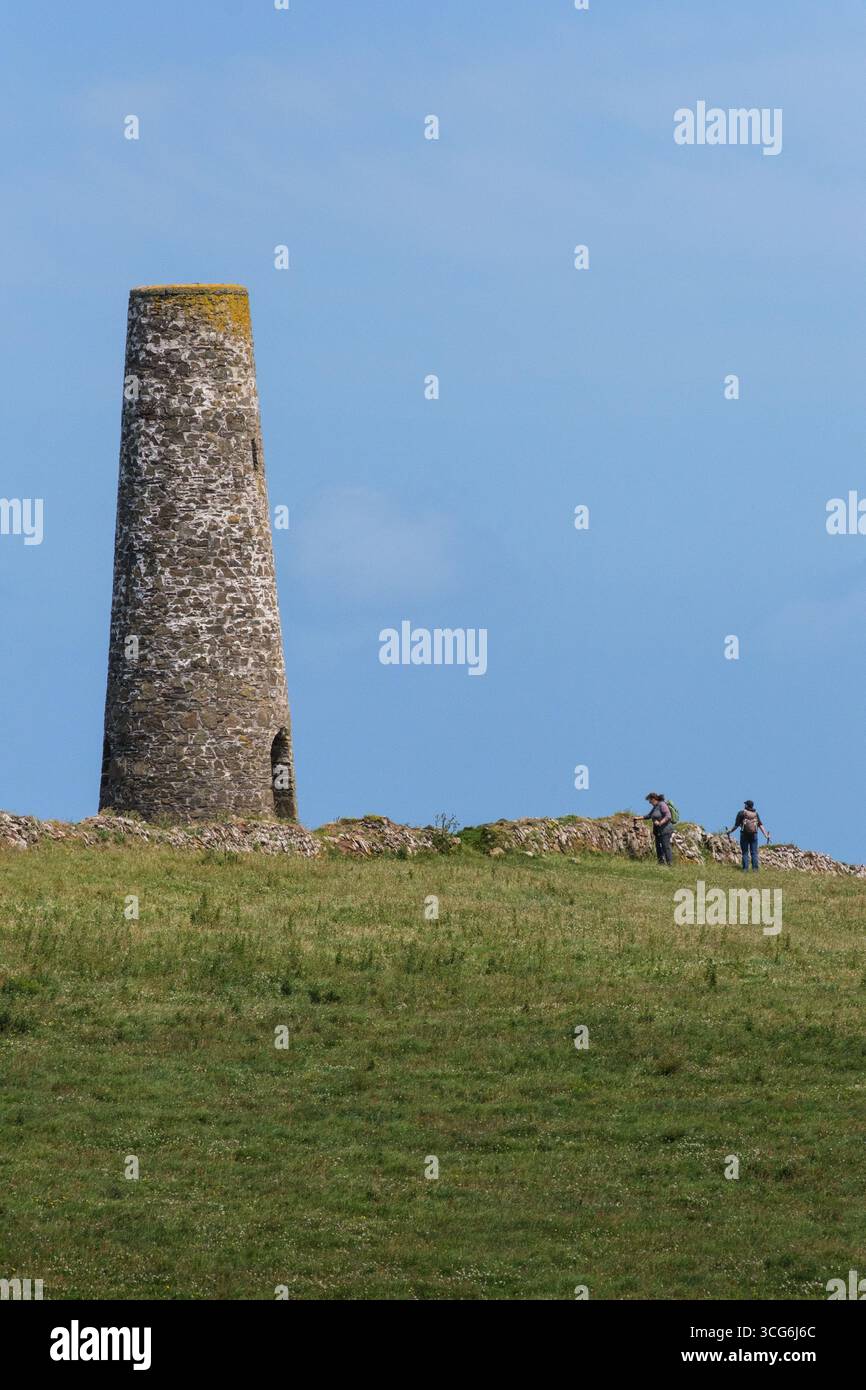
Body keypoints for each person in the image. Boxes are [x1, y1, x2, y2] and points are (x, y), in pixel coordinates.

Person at [727, 799, 770, 871]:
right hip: (754, 834)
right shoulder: (755, 814)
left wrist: (730, 831)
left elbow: (736, 826)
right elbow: (760, 825)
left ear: (746, 805)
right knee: (754, 852)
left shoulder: (741, 813)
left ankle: (745, 869)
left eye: (745, 804)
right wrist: (766, 835)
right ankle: (755, 869)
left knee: (745, 852)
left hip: (744, 834)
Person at [639, 792, 674, 866]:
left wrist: (660, 823)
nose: (649, 802)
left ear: (654, 799)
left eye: (650, 800)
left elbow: (668, 816)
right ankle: (661, 863)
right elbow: (649, 816)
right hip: (658, 831)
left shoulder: (662, 804)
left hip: (666, 829)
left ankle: (670, 864)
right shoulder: (655, 807)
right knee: (658, 846)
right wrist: (638, 818)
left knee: (665, 846)